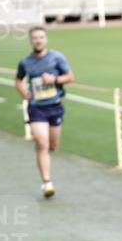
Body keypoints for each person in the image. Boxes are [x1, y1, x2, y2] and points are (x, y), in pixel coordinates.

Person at [14, 26, 73, 198]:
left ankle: (46, 155)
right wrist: (23, 92)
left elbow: (70, 77)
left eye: (41, 37)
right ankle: (47, 182)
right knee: (42, 143)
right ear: (30, 40)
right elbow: (18, 80)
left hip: (54, 107)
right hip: (36, 108)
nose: (38, 40)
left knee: (52, 146)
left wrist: (54, 79)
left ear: (46, 39)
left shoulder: (57, 57)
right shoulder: (25, 62)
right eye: (35, 38)